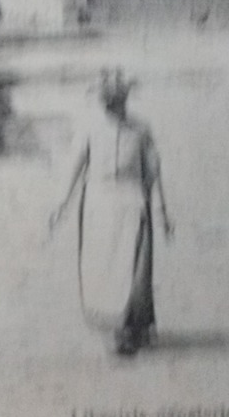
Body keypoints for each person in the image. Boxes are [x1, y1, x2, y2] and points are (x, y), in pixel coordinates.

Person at [48, 68, 173, 356]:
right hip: (98, 204)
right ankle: (114, 327)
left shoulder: (141, 129)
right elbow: (74, 167)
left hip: (133, 201)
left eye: (117, 98)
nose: (112, 104)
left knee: (134, 267)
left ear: (125, 99)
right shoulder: (89, 128)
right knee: (103, 265)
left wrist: (162, 210)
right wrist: (60, 204)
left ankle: (132, 327)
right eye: (107, 99)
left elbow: (154, 172)